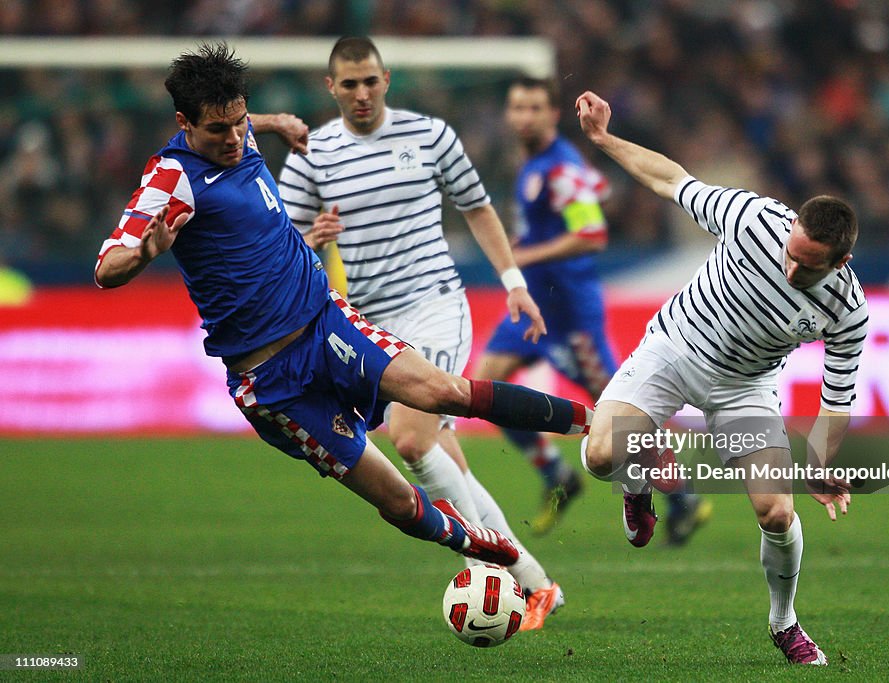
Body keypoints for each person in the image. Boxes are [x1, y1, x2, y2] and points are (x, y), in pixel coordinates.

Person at [92, 43, 592, 583]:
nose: (235, 139)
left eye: (240, 122)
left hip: (329, 323)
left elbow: (240, 125)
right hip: (275, 381)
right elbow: (106, 267)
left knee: (444, 392)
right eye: (219, 130)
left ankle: (592, 422)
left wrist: (275, 120)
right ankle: (485, 545)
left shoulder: (242, 135)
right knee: (399, 502)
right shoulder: (173, 179)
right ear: (184, 124)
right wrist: (144, 252)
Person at [277, 37, 563, 630]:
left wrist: (513, 282)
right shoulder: (311, 153)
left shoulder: (430, 135)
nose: (361, 94)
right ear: (331, 88)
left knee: (410, 438)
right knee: (444, 455)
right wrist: (311, 237)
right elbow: (277, 248)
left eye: (370, 82)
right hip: (366, 325)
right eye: (348, 84)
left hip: (433, 303)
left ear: (387, 79)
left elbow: (478, 207)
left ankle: (513, 576)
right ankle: (534, 584)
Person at [575, 90, 867, 666]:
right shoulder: (755, 219)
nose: (790, 268)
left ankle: (784, 622)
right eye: (790, 252)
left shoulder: (847, 310)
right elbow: (672, 179)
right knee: (600, 456)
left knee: (777, 513)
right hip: (673, 348)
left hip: (744, 388)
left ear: (840, 263)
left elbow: (837, 396)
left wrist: (823, 463)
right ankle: (639, 480)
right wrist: (606, 140)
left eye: (806, 267)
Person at [474, 76, 710, 541]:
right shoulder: (531, 166)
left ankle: (682, 497)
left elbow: (591, 234)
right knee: (487, 385)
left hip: (572, 315)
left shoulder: (561, 168)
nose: (524, 117)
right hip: (538, 304)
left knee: (625, 417)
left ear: (551, 115)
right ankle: (555, 475)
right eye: (517, 108)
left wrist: (524, 255)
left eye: (534, 108)